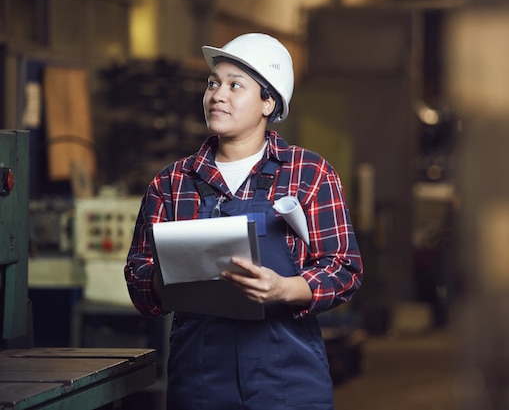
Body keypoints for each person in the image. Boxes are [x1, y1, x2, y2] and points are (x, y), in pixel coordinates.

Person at [124, 32, 363, 410]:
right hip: (199, 384)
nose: (218, 95)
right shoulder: (171, 183)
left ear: (269, 102)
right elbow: (138, 278)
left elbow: (344, 269)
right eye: (213, 83)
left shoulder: (309, 174)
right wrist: (167, 277)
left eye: (236, 85)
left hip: (288, 383)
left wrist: (285, 289)